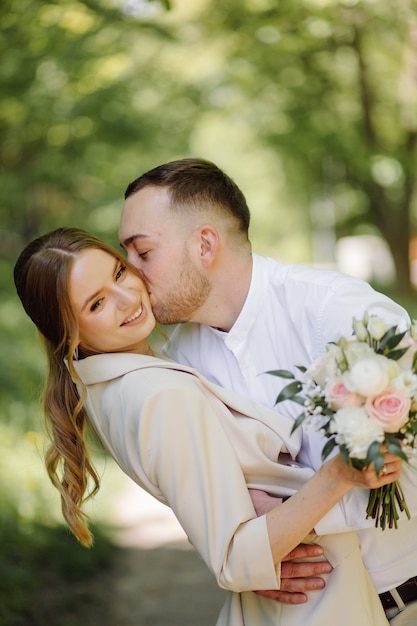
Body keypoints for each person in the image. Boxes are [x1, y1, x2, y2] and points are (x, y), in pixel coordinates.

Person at [14, 227, 401, 626]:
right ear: (67, 332)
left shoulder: (103, 386)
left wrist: (241, 503)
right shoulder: (159, 394)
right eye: (96, 304)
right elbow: (234, 558)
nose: (127, 298)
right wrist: (337, 475)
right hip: (317, 597)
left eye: (118, 273)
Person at [120, 157, 417, 624]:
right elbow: (204, 498)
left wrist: (270, 533)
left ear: (204, 244)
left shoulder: (337, 312)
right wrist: (250, 543)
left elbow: (409, 472)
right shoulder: (179, 365)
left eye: (143, 252)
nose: (132, 274)